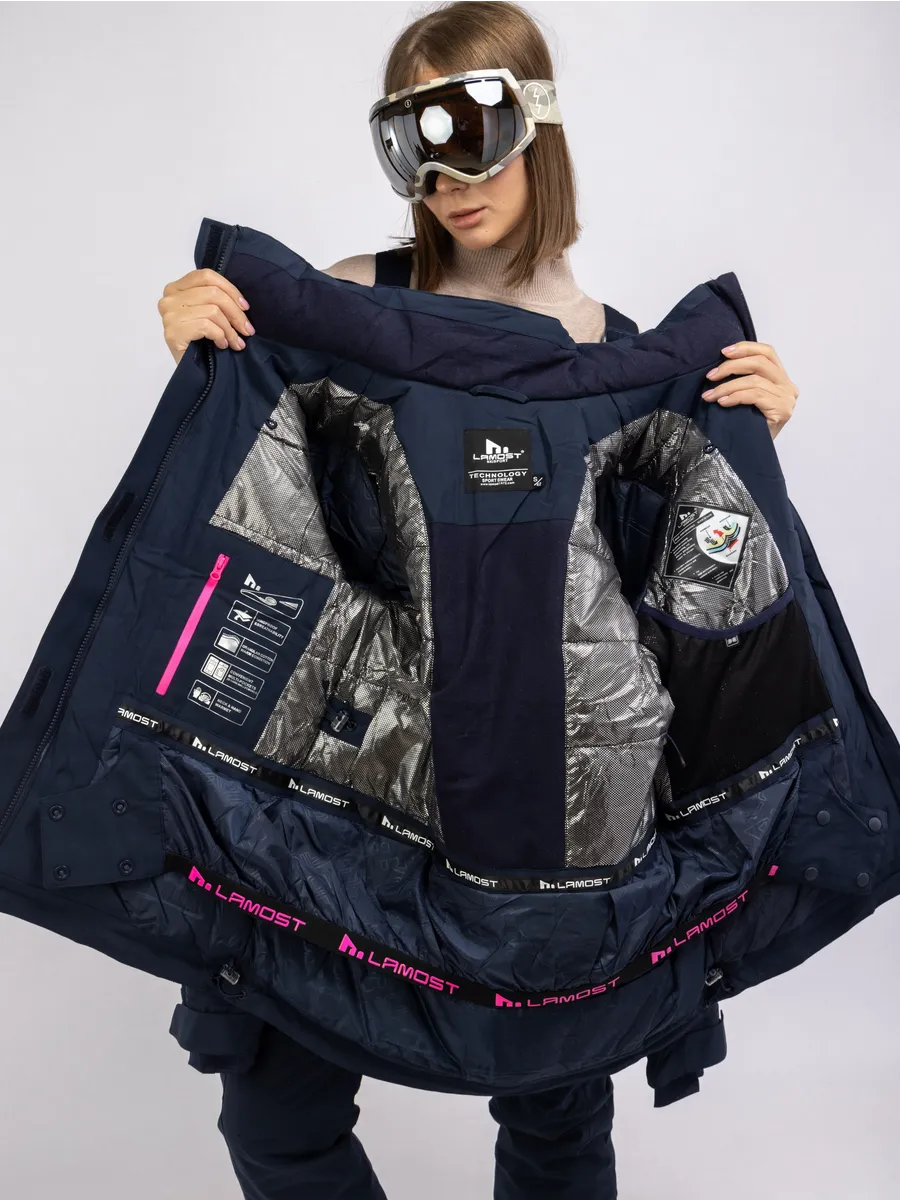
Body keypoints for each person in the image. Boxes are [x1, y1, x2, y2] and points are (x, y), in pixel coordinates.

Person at [156, 3, 800, 1197]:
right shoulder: (347, 309)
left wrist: (744, 443)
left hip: (551, 798)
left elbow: (672, 588)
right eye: (412, 141)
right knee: (279, 1105)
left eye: (471, 127)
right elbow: (272, 495)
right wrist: (207, 351)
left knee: (556, 1113)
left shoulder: (621, 358)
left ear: (538, 122)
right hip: (356, 779)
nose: (447, 175)